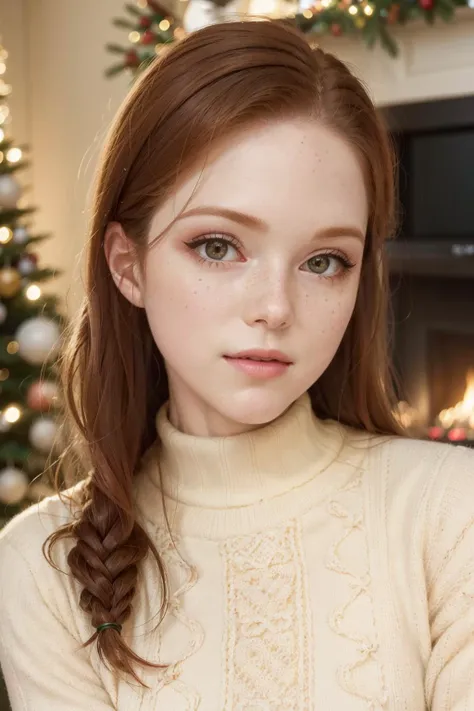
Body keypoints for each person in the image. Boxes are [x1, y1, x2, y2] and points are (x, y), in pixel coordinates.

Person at [0, 18, 473, 711]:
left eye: (323, 261)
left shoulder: (449, 508)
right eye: (219, 246)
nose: (276, 307)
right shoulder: (38, 564)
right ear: (127, 265)